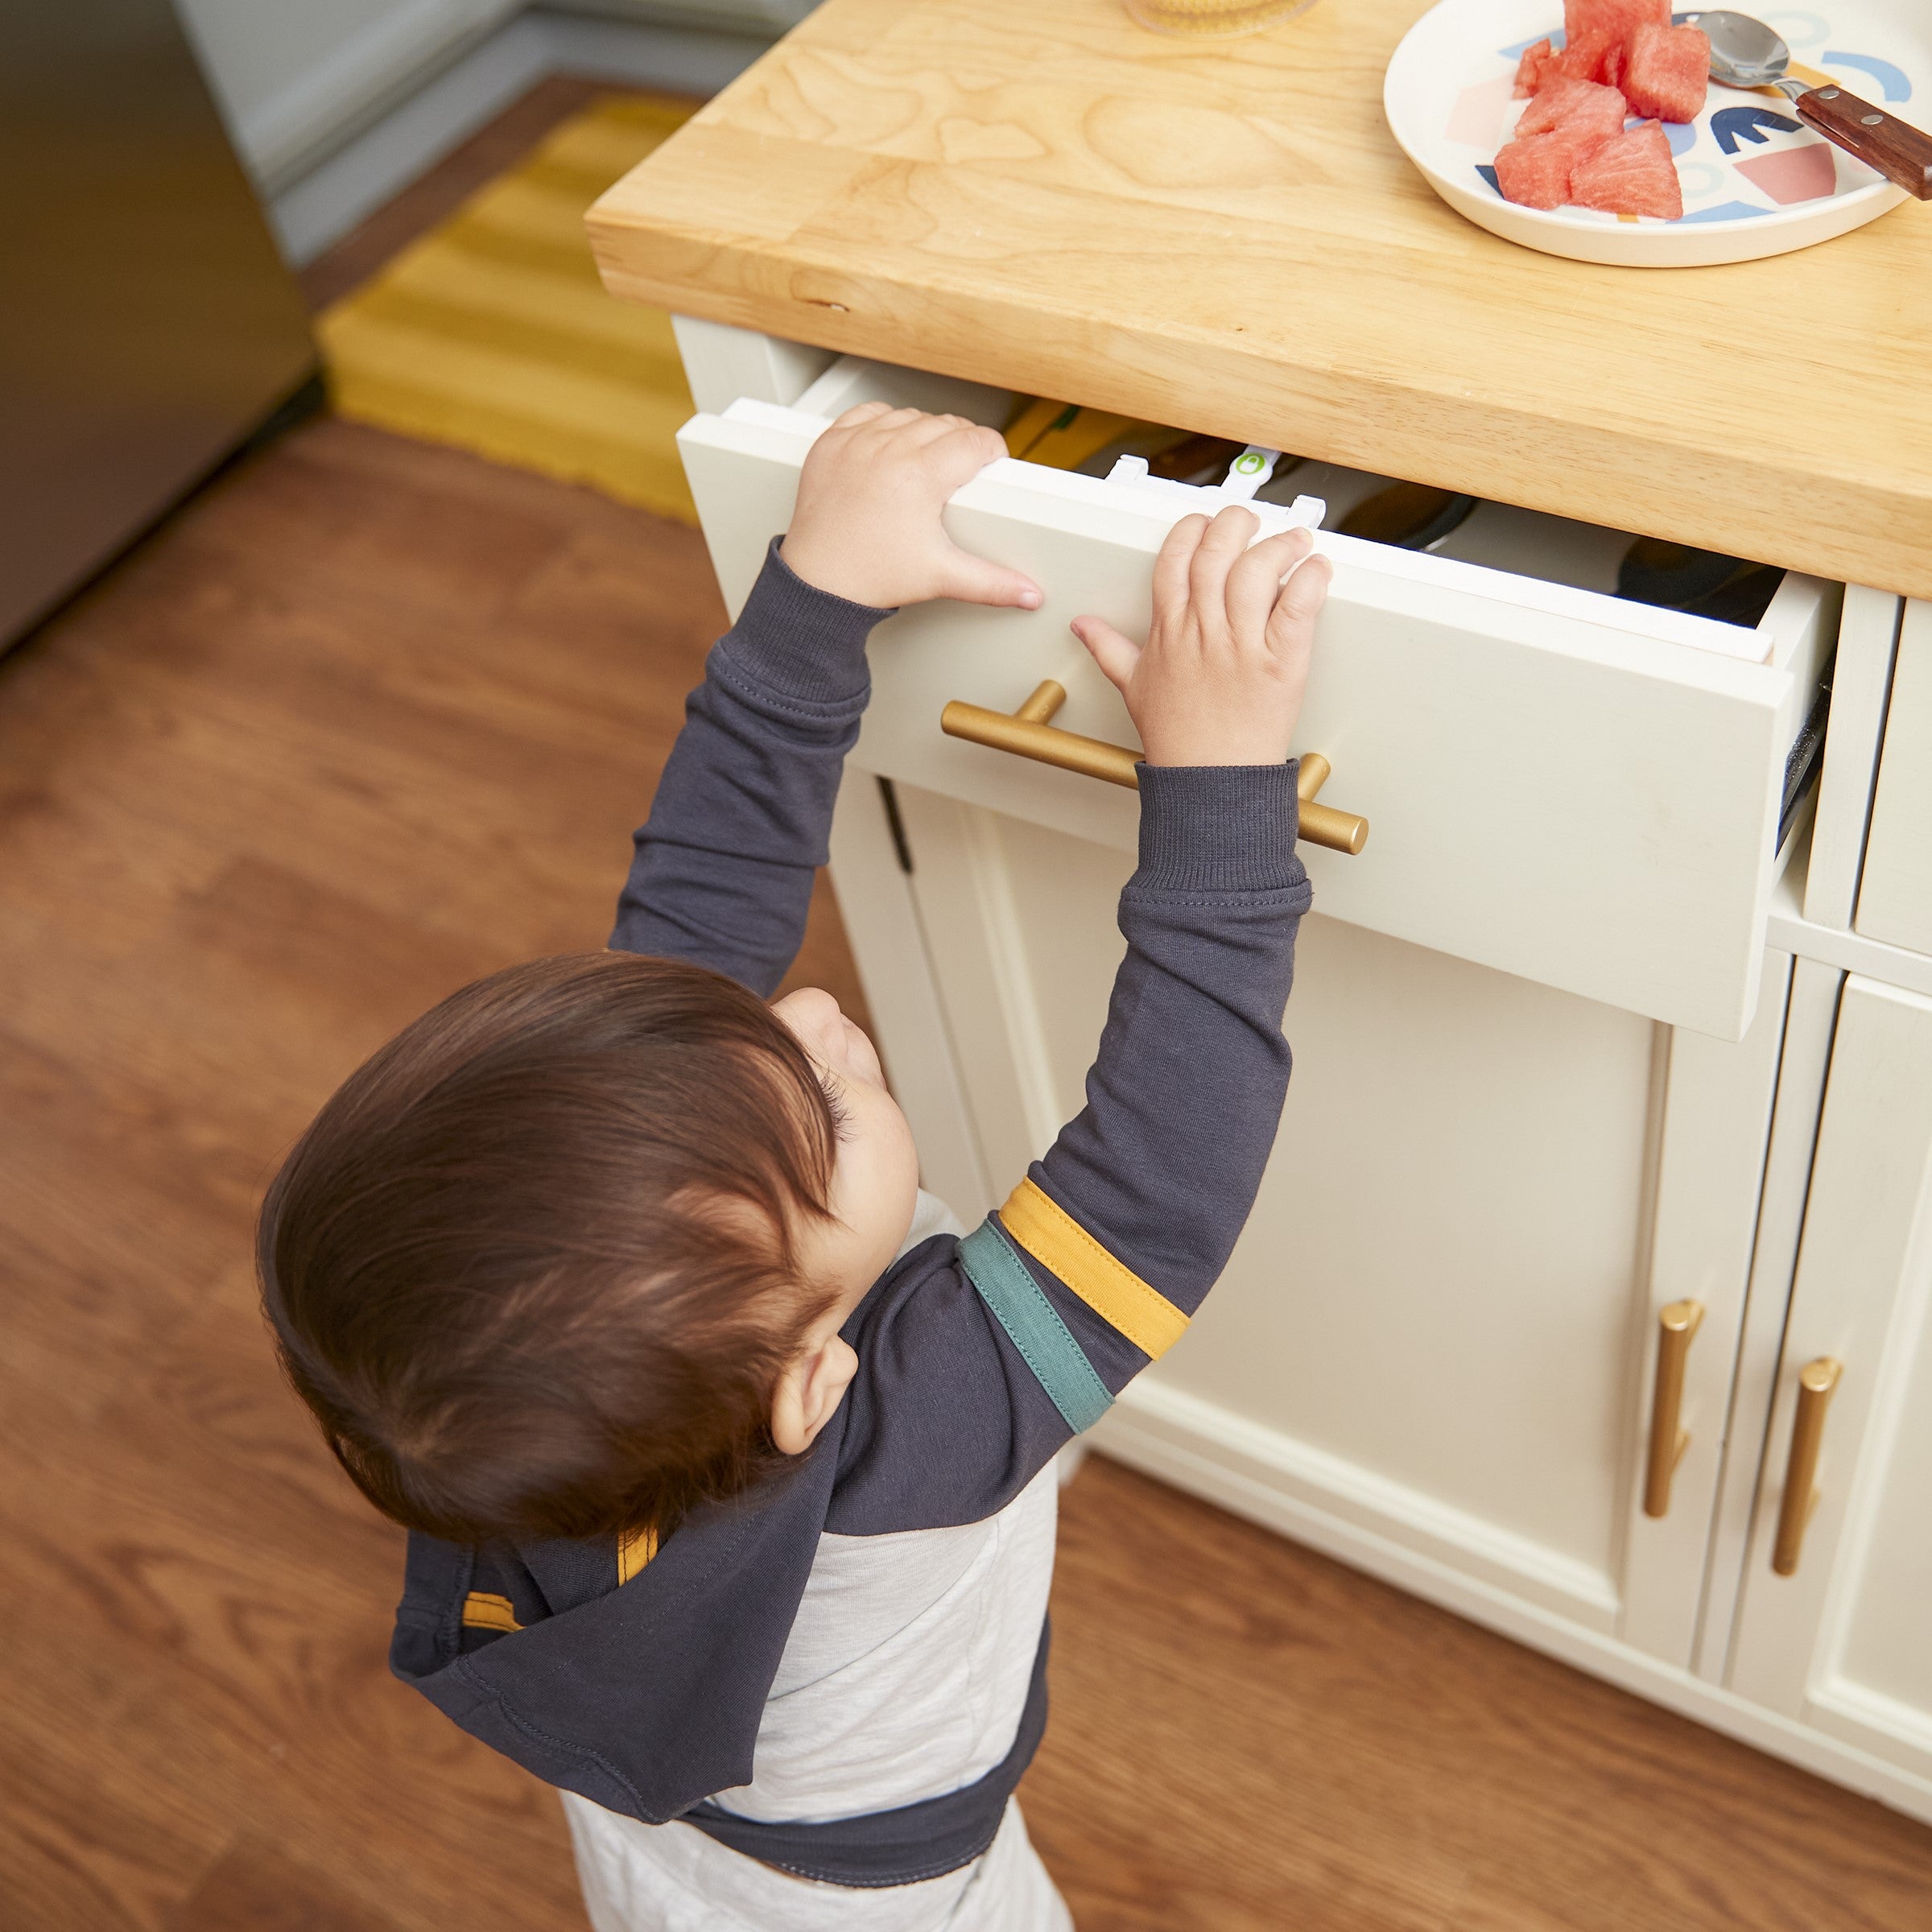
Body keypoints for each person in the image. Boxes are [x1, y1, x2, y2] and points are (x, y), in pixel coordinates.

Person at [257, 402, 1331, 1931]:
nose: (822, 1014)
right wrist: (1221, 785)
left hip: (660, 1841)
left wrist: (814, 598)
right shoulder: (919, 1432)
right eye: (827, 1116)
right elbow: (1161, 1180)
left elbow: (692, 925)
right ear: (815, 1391)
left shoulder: (561, 1372)